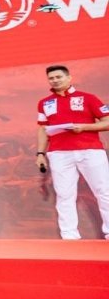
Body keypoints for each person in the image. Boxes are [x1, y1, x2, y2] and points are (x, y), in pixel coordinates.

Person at [36, 65, 109, 239]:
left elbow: (107, 121)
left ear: (69, 78)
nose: (55, 80)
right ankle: (69, 235)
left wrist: (84, 127)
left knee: (104, 191)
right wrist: (40, 153)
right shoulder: (45, 103)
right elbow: (42, 129)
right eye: (51, 78)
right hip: (59, 154)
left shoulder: (88, 98)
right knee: (64, 194)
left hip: (90, 151)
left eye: (58, 77)